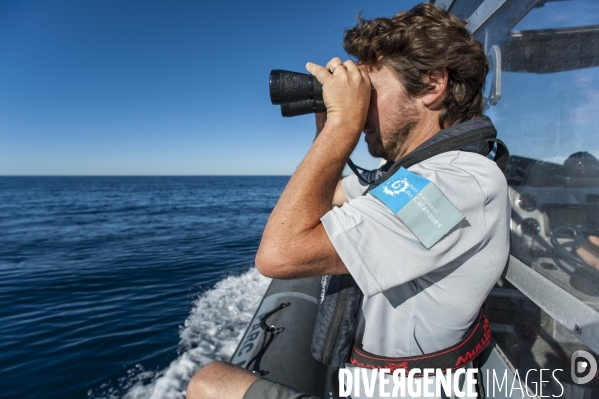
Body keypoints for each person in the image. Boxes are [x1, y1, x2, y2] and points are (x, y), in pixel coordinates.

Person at [187, 3, 510, 398]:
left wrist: (343, 126)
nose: (360, 108)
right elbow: (328, 198)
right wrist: (327, 134)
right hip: (366, 383)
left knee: (209, 383)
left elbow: (278, 254)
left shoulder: (457, 184)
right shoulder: (410, 176)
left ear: (431, 85)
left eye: (369, 91)